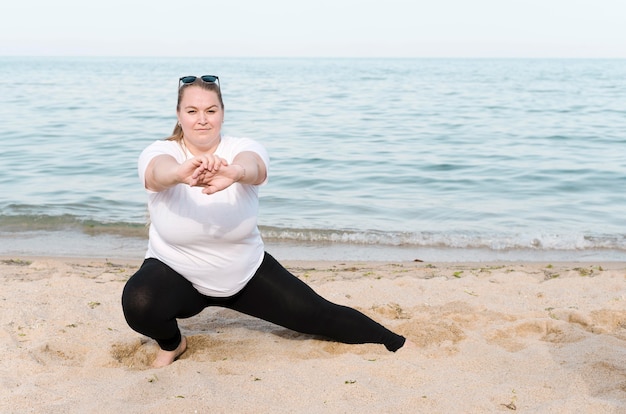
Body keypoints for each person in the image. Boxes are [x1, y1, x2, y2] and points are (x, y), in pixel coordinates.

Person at [121, 75, 412, 367]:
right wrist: (180, 174)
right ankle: (174, 343)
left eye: (211, 110)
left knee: (321, 315)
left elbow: (255, 167)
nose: (202, 120)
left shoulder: (241, 148)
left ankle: (398, 344)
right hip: (178, 272)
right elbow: (157, 173)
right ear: (179, 115)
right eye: (192, 111)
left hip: (246, 272)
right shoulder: (162, 152)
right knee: (139, 302)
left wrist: (235, 172)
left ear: (222, 113)